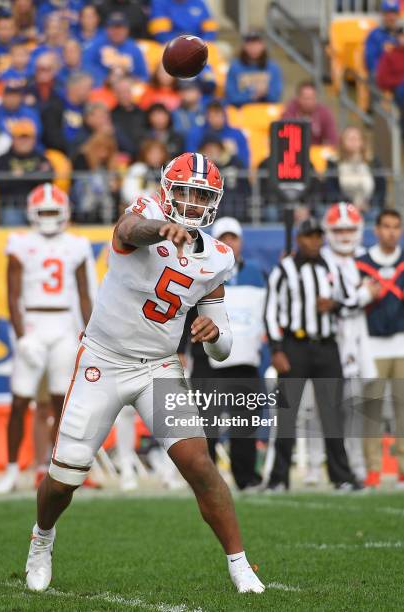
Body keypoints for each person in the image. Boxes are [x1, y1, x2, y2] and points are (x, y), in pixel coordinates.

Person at [24, 151, 265, 594]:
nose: (193, 204)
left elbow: (223, 345)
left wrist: (213, 333)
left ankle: (240, 563)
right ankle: (42, 539)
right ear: (167, 190)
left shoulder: (217, 257)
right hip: (103, 358)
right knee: (65, 479)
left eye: (202, 197)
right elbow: (128, 231)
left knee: (199, 464)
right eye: (187, 193)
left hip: (158, 367)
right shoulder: (145, 214)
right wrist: (162, 229)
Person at [0, 184, 94, 494]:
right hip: (35, 323)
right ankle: (12, 470)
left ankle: (57, 469)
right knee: (21, 398)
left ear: (64, 214)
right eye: (44, 212)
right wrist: (21, 336)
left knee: (60, 402)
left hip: (64, 323)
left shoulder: (76, 245)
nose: (49, 218)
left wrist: (89, 336)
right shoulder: (20, 243)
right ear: (32, 214)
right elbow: (12, 295)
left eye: (53, 212)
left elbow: (83, 295)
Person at [264, 218, 362, 492]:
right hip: (295, 347)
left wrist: (335, 304)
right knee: (287, 414)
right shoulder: (284, 270)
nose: (314, 241)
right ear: (299, 239)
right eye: (309, 236)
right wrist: (276, 349)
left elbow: (352, 300)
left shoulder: (332, 266)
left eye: (318, 236)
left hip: (327, 347)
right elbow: (271, 312)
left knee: (333, 414)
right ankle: (278, 479)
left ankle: (342, 476)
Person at [179, 217, 266, 489]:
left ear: (240, 242)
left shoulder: (256, 272)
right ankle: (208, 478)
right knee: (207, 424)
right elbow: (185, 311)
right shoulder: (200, 269)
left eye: (234, 238)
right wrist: (182, 349)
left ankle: (246, 477)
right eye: (224, 238)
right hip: (206, 354)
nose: (230, 243)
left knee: (246, 422)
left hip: (245, 357)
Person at [321, 203, 379, 483]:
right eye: (339, 229)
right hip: (328, 340)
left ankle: (356, 463)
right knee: (316, 410)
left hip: (363, 341)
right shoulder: (320, 260)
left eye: (349, 229)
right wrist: (362, 296)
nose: (344, 235)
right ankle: (315, 465)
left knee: (358, 407)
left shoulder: (367, 259)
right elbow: (333, 303)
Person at [356, 209, 404, 490]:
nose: (391, 232)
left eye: (396, 227)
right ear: (376, 229)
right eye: (386, 227)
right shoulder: (361, 263)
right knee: (371, 412)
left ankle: (402, 471)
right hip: (371, 345)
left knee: (402, 411)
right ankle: (373, 469)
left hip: (401, 343)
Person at [0, 120, 53, 224]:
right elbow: (3, 184)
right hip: (12, 205)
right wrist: (34, 174)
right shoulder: (3, 159)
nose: (24, 142)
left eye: (27, 138)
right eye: (20, 138)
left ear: (34, 140)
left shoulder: (41, 158)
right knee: (11, 219)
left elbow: (48, 181)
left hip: (39, 205)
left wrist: (19, 176)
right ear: (13, 139)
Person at [324, 126, 386, 216]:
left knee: (377, 214)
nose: (353, 141)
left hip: (369, 207)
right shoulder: (333, 162)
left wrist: (369, 204)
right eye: (349, 138)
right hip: (342, 209)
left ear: (362, 142)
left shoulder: (373, 162)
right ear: (342, 142)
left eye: (356, 138)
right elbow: (331, 190)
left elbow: (381, 189)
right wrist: (350, 205)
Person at [83, 12, 148, 87]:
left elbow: (144, 77)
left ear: (127, 29)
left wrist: (130, 80)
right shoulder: (96, 45)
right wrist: (105, 79)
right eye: (113, 27)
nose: (117, 31)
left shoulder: (134, 49)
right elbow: (87, 66)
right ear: (107, 29)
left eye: (120, 27)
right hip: (103, 90)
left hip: (129, 90)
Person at [226, 31, 283, 108]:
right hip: (241, 112)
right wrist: (252, 95)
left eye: (256, 44)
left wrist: (265, 93)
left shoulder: (273, 67)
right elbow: (231, 97)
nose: (253, 47)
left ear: (263, 45)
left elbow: (276, 97)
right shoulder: (235, 67)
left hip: (266, 111)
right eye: (250, 44)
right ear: (244, 46)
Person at [199, 138, 251, 222]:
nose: (211, 152)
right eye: (208, 149)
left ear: (221, 149)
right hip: (210, 209)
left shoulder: (235, 162)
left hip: (235, 207)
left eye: (214, 148)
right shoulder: (198, 167)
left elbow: (246, 188)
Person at [187, 101, 250, 169]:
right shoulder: (196, 133)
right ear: (207, 116)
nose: (216, 119)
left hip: (230, 172)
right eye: (212, 115)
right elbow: (189, 159)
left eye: (218, 114)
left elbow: (245, 163)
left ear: (224, 115)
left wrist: (233, 154)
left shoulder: (237, 134)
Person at [282, 81, 339, 147]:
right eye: (305, 98)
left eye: (311, 98)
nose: (308, 102)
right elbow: (283, 132)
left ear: (316, 98)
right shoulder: (290, 109)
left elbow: (333, 139)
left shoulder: (324, 113)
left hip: (315, 153)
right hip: (293, 150)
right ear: (298, 98)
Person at [121, 139, 168, 204]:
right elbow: (129, 194)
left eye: (159, 153)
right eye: (152, 153)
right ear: (145, 153)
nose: (156, 156)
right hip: (141, 208)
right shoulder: (138, 169)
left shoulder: (168, 169)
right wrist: (154, 194)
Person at [376, 26, 404, 133]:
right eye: (402, 35)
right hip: (397, 91)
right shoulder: (389, 55)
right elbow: (382, 79)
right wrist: (400, 81)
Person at [149, 0, 217, 43]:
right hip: (172, 44)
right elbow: (161, 34)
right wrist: (182, 43)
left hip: (199, 43)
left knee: (223, 49)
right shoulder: (160, 2)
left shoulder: (199, 3)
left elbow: (210, 30)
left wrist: (202, 43)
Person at [111, 76, 147, 156]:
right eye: (121, 92)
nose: (124, 95)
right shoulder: (110, 116)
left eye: (127, 92)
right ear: (115, 94)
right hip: (121, 159)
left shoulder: (143, 113)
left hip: (143, 156)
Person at [364, 0, 400, 76]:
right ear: (382, 15)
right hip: (382, 77)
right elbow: (371, 62)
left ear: (398, 15)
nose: (391, 17)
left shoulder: (400, 35)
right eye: (388, 13)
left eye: (394, 13)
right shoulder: (374, 35)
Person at [61, 72, 94, 152]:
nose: (90, 92)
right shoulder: (57, 107)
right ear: (75, 88)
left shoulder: (88, 110)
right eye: (88, 88)